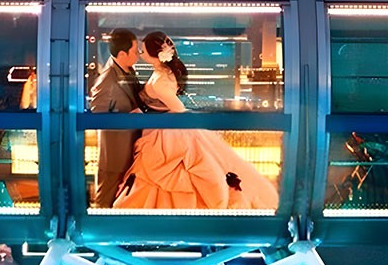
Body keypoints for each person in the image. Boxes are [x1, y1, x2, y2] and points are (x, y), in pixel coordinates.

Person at [113, 31, 280, 211]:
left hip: (166, 133)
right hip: (163, 128)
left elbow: (178, 108)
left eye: (143, 51)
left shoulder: (160, 81)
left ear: (155, 55)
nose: (140, 54)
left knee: (159, 173)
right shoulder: (164, 72)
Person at [88, 28, 145, 206]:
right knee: (105, 202)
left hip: (130, 149)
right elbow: (97, 115)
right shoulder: (107, 80)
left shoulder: (127, 70)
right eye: (135, 51)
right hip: (115, 155)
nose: (138, 55)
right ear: (122, 54)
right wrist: (127, 118)